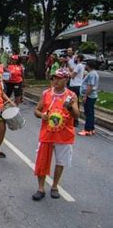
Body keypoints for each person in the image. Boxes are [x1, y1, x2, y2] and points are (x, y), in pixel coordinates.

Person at [32, 69, 79, 200]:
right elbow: (36, 110)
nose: (55, 81)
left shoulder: (71, 95)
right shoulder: (46, 93)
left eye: (59, 78)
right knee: (42, 161)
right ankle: (40, 188)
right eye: (53, 78)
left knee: (60, 161)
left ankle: (54, 186)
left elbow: (76, 115)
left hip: (64, 135)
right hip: (47, 134)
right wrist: (42, 115)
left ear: (66, 80)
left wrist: (69, 107)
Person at [79, 61, 99, 136]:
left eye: (86, 65)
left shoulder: (92, 74)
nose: (85, 66)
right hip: (90, 96)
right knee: (90, 112)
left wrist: (85, 96)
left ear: (88, 66)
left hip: (90, 96)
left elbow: (90, 86)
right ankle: (91, 128)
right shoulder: (92, 73)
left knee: (88, 113)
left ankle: (87, 130)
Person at [67, 54, 85, 127]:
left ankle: (75, 120)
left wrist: (68, 72)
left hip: (75, 86)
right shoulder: (80, 66)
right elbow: (73, 71)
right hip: (76, 86)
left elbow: (72, 75)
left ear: (78, 58)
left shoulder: (78, 66)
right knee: (73, 102)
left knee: (72, 102)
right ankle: (74, 119)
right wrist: (68, 63)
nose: (74, 58)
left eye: (75, 57)